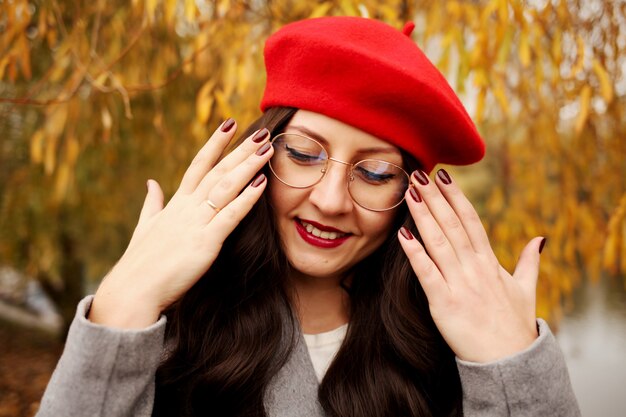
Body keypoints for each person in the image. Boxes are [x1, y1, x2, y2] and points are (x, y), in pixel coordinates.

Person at [36, 16, 580, 417]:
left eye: (373, 173)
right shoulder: (167, 332)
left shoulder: (452, 356)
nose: (329, 201)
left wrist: (511, 369)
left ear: (412, 196)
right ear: (261, 155)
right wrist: (120, 310)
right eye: (302, 154)